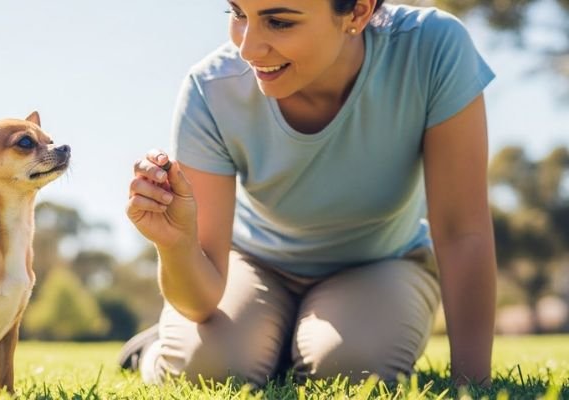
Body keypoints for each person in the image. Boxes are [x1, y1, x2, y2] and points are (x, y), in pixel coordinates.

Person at [122, 0, 496, 387]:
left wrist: (472, 384)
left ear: (357, 13)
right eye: (237, 14)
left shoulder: (432, 48)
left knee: (353, 369)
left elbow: (461, 232)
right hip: (252, 264)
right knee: (211, 369)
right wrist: (177, 244)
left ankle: (277, 342)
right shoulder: (211, 88)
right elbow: (200, 300)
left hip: (382, 262)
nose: (247, 49)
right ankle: (154, 350)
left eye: (279, 21)